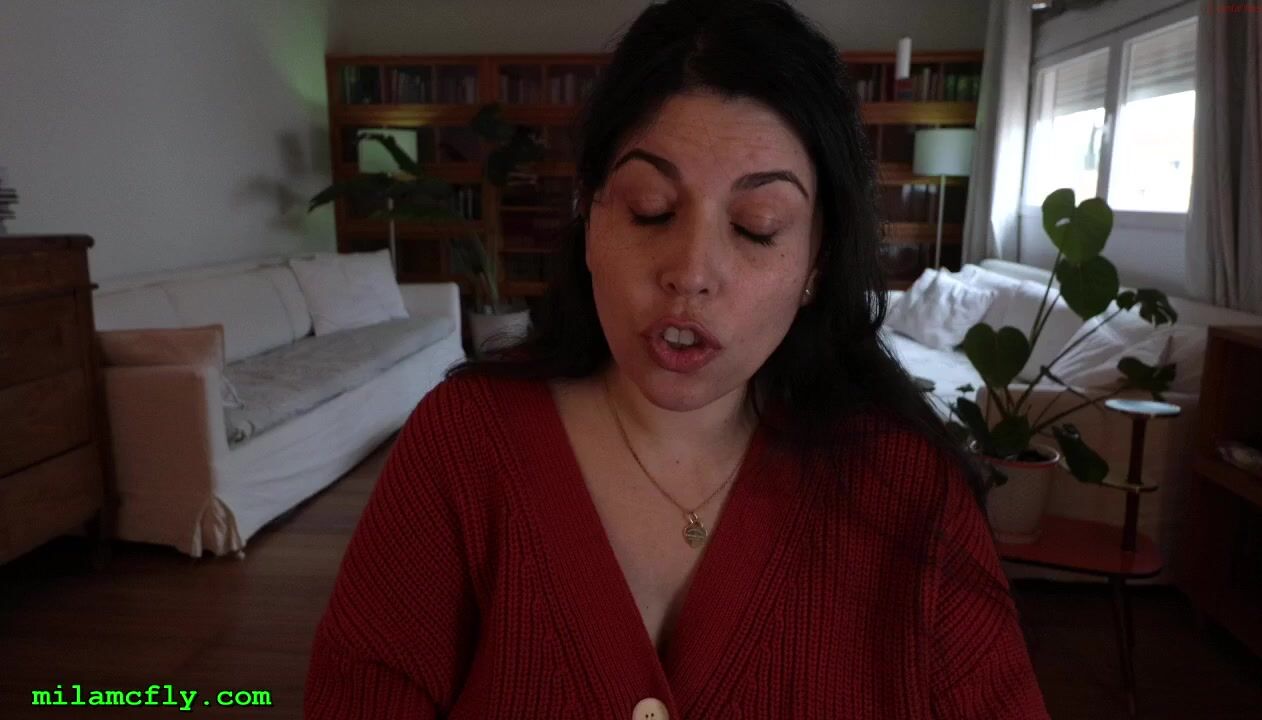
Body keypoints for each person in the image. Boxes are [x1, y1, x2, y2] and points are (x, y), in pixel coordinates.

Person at [304, 0, 1051, 717]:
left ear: (818, 260)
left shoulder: (912, 492)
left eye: (757, 226)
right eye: (650, 210)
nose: (690, 272)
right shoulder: (462, 443)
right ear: (590, 217)